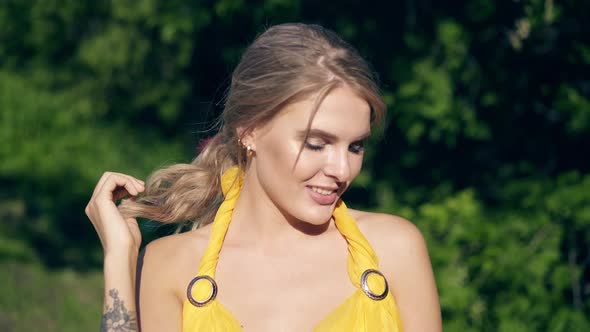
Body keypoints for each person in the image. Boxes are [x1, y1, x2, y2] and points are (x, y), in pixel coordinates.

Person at [86, 23, 442, 332]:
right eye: (317, 144)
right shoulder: (171, 266)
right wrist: (120, 260)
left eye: (355, 147)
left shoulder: (393, 250)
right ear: (250, 130)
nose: (342, 170)